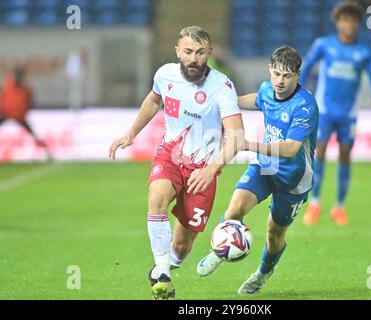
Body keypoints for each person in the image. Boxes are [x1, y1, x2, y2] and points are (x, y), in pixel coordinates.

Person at [109, 26, 245, 300]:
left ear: (209, 53)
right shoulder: (165, 74)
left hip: (203, 170)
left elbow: (237, 137)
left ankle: (165, 268)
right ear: (177, 51)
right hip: (170, 155)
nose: (193, 58)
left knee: (182, 245)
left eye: (200, 52)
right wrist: (131, 132)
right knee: (156, 199)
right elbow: (153, 100)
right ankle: (162, 275)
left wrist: (211, 170)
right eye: (188, 52)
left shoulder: (222, 86)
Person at [196, 45, 319, 294]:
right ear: (270, 70)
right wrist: (224, 104)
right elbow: (255, 99)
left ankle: (262, 273)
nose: (280, 81)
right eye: (276, 74)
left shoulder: (305, 106)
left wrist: (246, 145)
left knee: (274, 234)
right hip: (264, 166)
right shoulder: (267, 89)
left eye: (287, 76)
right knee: (234, 208)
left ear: (297, 74)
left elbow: (290, 149)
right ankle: (219, 250)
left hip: (293, 179)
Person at [300, 1, 371, 226]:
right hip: (326, 112)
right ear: (337, 22)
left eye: (352, 20)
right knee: (318, 154)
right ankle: (315, 203)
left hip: (348, 114)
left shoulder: (363, 52)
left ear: (358, 24)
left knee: (345, 156)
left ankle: (339, 207)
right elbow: (308, 66)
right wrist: (297, 95)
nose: (348, 24)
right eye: (344, 20)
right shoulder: (324, 44)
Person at [0, 66, 52, 159]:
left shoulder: (25, 90)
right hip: (7, 114)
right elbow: (3, 99)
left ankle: (47, 152)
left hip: (19, 116)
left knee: (33, 134)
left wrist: (24, 112)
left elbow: (28, 102)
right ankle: (47, 152)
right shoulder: (8, 86)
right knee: (33, 133)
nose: (18, 77)